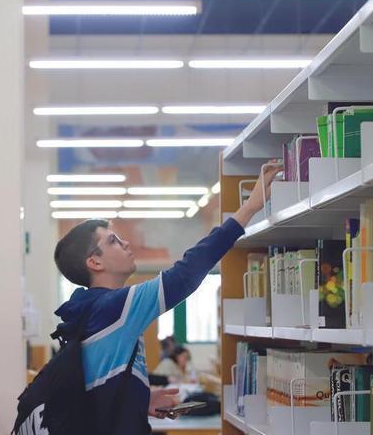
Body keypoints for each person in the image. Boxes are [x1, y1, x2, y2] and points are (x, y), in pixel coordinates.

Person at [52, 160, 282, 434]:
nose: (125, 242)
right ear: (95, 263)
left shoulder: (91, 311)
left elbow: (94, 392)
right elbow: (184, 275)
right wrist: (249, 208)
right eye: (113, 241)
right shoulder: (114, 307)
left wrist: (139, 401)